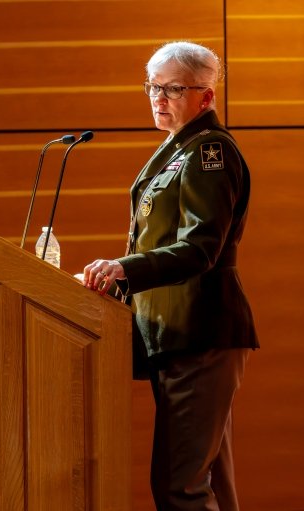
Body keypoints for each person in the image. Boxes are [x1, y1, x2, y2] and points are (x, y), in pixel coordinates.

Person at [81, 41, 259, 511]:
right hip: (177, 334)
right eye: (153, 87)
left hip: (200, 331)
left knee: (180, 487)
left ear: (208, 95)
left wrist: (124, 269)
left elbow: (201, 248)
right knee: (209, 481)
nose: (158, 98)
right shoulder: (179, 147)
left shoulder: (209, 152)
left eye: (173, 88)